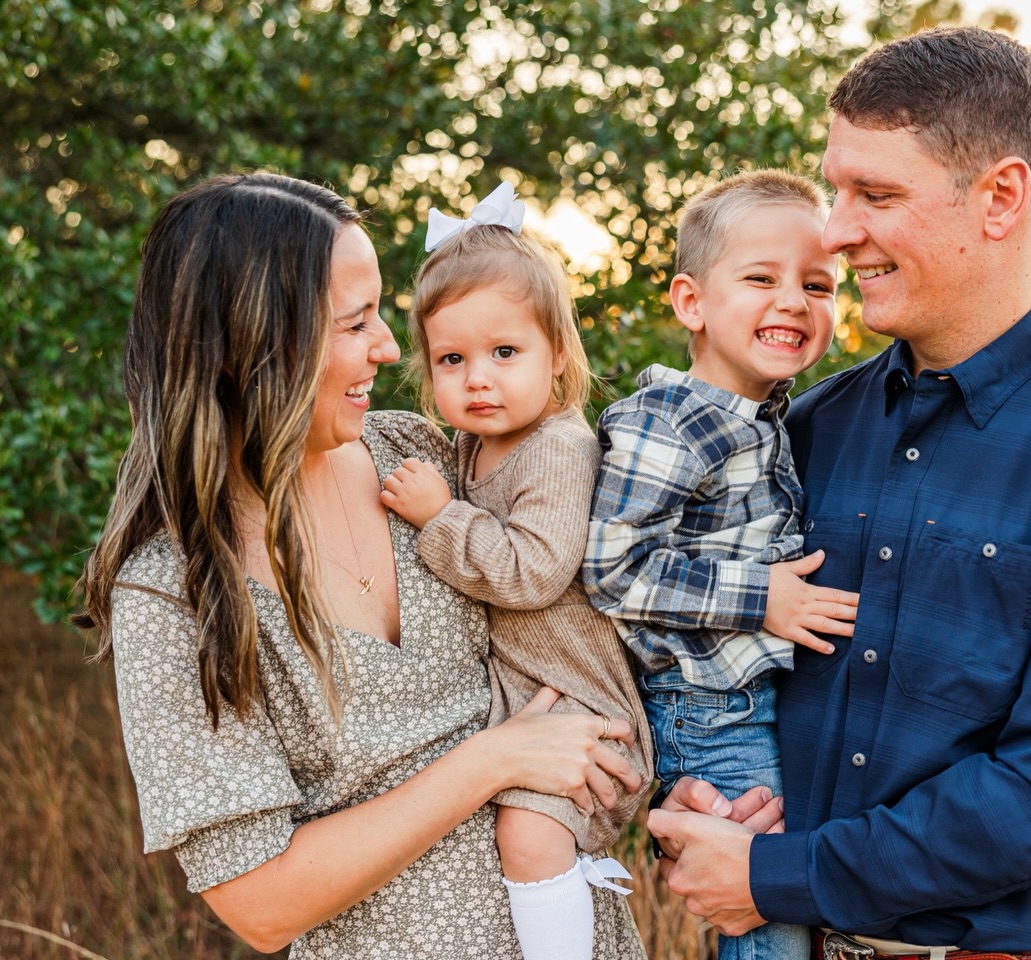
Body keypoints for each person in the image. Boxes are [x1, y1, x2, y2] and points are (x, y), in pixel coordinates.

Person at [647, 26, 1031, 960]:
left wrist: (773, 877)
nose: (835, 230)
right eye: (836, 188)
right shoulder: (801, 430)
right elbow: (704, 650)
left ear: (1000, 197)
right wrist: (694, 789)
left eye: (875, 194)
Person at [73, 172, 647, 960]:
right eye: (356, 323)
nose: (388, 347)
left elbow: (581, 600)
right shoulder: (173, 592)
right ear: (257, 346)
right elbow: (261, 903)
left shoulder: (416, 453)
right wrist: (494, 760)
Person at [583, 169, 862, 960]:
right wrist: (761, 597)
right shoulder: (672, 423)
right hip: (711, 711)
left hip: (753, 702)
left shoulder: (772, 418)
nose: (794, 301)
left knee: (784, 901)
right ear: (691, 302)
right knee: (763, 919)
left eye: (818, 283)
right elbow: (610, 566)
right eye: (760, 278)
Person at [377, 182, 655, 960]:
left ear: (557, 354)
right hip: (520, 698)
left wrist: (442, 518)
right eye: (453, 359)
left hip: (579, 703)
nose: (478, 378)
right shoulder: (468, 444)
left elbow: (533, 573)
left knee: (530, 838)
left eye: (505, 353)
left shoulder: (559, 449)